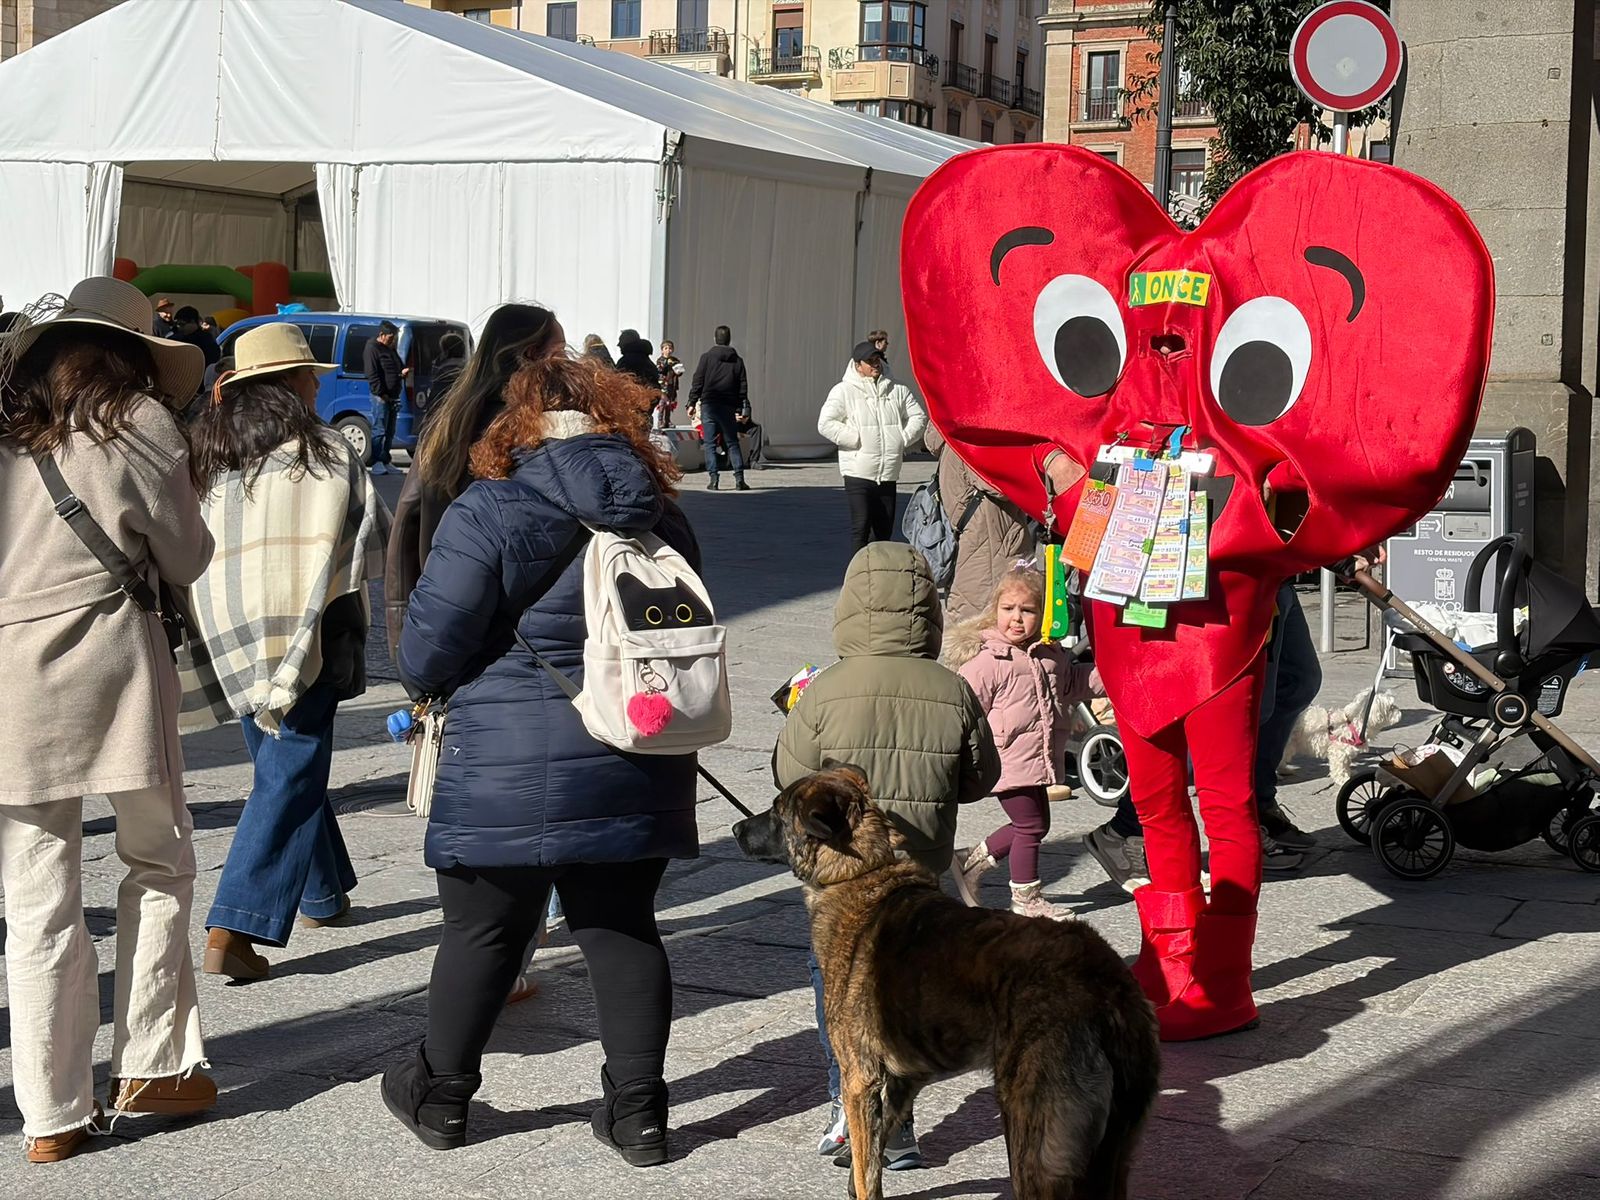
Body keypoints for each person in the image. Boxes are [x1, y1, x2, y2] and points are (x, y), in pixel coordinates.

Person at [385, 356, 700, 1164]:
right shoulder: (657, 511)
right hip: (634, 743)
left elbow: (427, 651)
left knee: (483, 931)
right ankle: (640, 1117)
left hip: (503, 755)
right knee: (622, 927)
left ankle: (442, 1097)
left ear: (517, 423)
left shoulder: (488, 509)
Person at [0, 277, 218, 1162]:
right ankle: (154, 1061)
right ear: (133, 348)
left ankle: (50, 1115)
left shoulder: (6, 431)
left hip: (10, 674)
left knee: (36, 895)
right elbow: (188, 555)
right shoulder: (137, 421)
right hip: (114, 666)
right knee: (158, 858)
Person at [774, 541, 1000, 1167]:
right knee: (908, 991)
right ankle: (900, 1125)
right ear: (928, 611)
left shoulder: (823, 689)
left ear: (849, 610)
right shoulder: (951, 688)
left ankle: (850, 1110)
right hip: (917, 872)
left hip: (843, 879)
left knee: (840, 992)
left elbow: (788, 777)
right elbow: (983, 776)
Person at [182, 323, 389, 980]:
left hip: (231, 632)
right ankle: (234, 924)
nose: (318, 382)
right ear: (292, 383)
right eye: (310, 373)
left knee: (285, 762)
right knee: (291, 769)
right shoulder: (323, 453)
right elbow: (367, 539)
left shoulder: (210, 456)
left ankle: (322, 895)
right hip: (312, 632)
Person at [388, 309, 568, 1010]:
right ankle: (508, 957)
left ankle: (485, 950)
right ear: (530, 354)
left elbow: (408, 537)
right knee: (533, 802)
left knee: (472, 802)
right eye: (556, 346)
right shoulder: (524, 425)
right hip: (519, 628)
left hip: (451, 621)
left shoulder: (447, 423)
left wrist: (416, 643)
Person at [947, 565, 1104, 918]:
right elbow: (964, 706)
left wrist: (1110, 675)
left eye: (1027, 610)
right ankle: (1025, 898)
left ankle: (970, 861)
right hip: (1005, 759)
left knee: (1035, 824)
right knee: (1030, 825)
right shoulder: (989, 661)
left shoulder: (1049, 655)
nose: (1016, 619)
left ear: (1044, 614)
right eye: (1008, 609)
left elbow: (1071, 685)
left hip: (1037, 757)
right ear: (995, 609)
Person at [923, 426, 1043, 623]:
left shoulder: (952, 431)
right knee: (985, 624)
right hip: (988, 550)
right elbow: (1002, 484)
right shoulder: (974, 438)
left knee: (977, 619)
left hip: (981, 543)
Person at [818, 341, 928, 553]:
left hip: (888, 472)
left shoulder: (898, 389)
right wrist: (855, 438)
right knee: (860, 528)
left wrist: (901, 439)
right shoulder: (843, 391)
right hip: (858, 471)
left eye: (877, 359)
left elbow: (919, 417)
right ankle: (857, 580)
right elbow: (826, 423)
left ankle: (878, 578)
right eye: (869, 361)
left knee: (883, 531)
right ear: (858, 366)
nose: (875, 364)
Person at [688, 325, 749, 491]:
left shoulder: (706, 358)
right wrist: (741, 408)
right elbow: (742, 386)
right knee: (732, 442)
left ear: (715, 339)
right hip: (728, 406)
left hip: (709, 404)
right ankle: (739, 479)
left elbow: (698, 380)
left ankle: (714, 480)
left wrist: (692, 402)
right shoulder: (738, 361)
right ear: (729, 340)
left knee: (709, 443)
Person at [363, 320, 407, 475]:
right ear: (381, 335)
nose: (392, 340)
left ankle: (386, 459)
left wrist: (402, 372)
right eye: (390, 337)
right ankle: (376, 461)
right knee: (379, 429)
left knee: (390, 430)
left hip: (393, 395)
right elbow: (372, 374)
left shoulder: (390, 349)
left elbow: (398, 365)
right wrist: (381, 393)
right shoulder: (372, 348)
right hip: (380, 397)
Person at [422, 331, 468, 428]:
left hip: (446, 418)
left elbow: (436, 397)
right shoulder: (469, 368)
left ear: (446, 351)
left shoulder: (445, 370)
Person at [616, 329, 661, 395]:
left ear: (627, 341)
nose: (618, 344)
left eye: (621, 340)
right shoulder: (645, 360)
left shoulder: (626, 362)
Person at [654, 339, 684, 428]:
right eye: (666, 348)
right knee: (663, 403)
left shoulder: (674, 360)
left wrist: (678, 371)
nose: (668, 350)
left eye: (670, 348)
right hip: (663, 385)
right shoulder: (660, 360)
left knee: (669, 403)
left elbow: (680, 371)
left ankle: (667, 421)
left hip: (672, 384)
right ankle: (660, 421)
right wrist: (667, 364)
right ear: (662, 350)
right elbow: (659, 370)